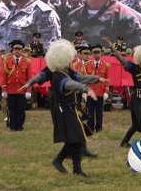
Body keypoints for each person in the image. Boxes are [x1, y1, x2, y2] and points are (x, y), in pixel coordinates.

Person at [45, 39, 99, 177]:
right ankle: (59, 160)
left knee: (78, 140)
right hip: (63, 110)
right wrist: (85, 89)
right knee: (75, 139)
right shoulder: (57, 76)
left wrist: (96, 79)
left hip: (70, 108)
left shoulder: (67, 71)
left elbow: (79, 78)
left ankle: (77, 169)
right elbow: (69, 84)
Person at [1, 40, 32, 131]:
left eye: (19, 49)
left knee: (21, 109)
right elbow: (3, 76)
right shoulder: (7, 60)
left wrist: (28, 90)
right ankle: (12, 125)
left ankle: (20, 126)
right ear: (12, 50)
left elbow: (29, 77)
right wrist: (4, 89)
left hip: (22, 89)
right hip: (11, 89)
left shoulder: (27, 61)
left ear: (22, 50)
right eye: (15, 49)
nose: (17, 51)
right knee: (12, 108)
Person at [86, 44, 110, 132]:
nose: (96, 54)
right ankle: (90, 128)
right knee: (90, 111)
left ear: (101, 53)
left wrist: (106, 92)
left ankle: (99, 128)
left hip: (100, 91)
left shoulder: (106, 65)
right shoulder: (87, 64)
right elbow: (85, 79)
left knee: (99, 112)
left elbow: (107, 79)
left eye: (98, 52)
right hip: (90, 91)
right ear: (92, 54)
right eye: (94, 53)